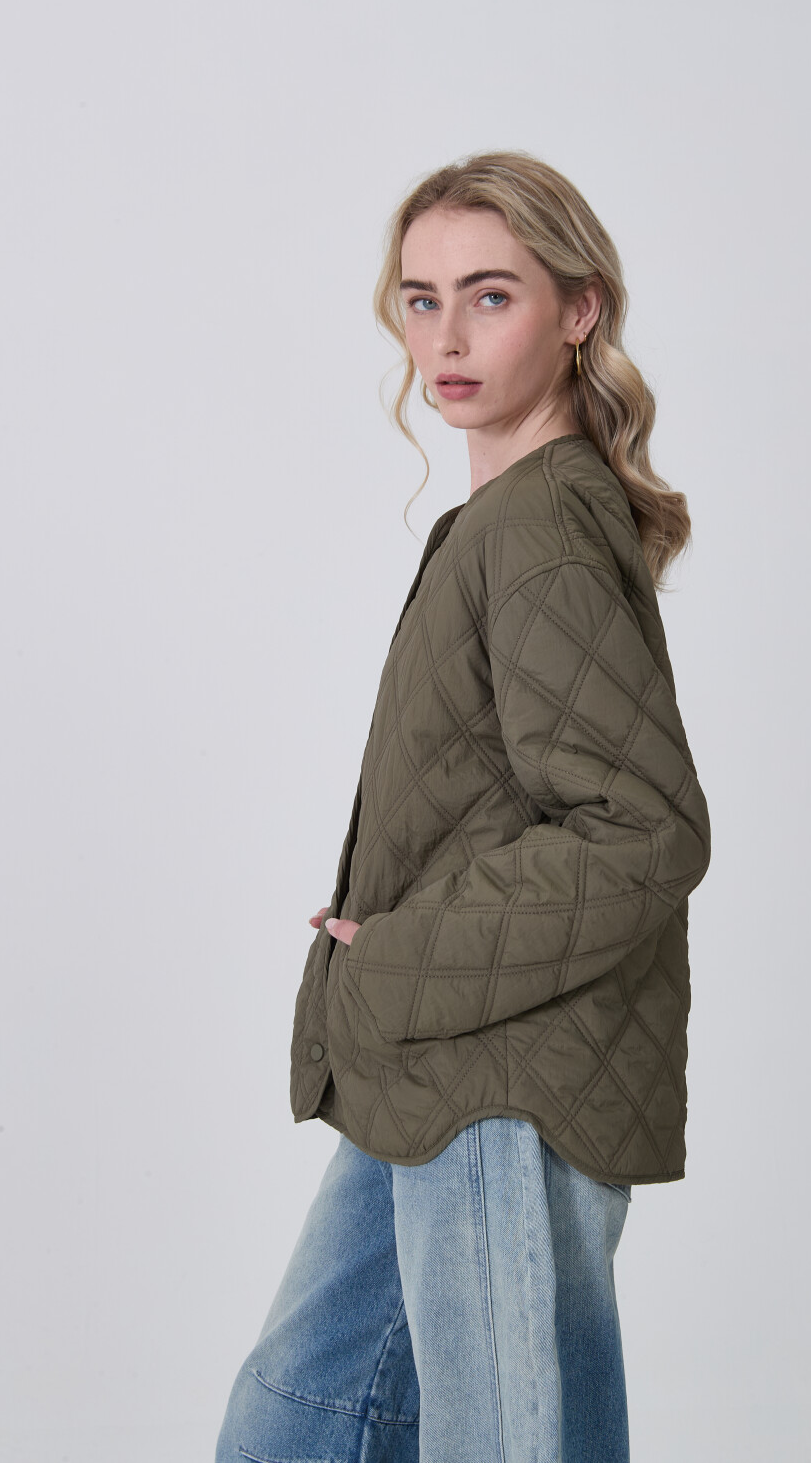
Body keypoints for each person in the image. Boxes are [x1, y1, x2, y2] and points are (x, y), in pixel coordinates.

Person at [216, 150, 712, 1463]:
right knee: (289, 1426)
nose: (445, 337)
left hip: (506, 1084)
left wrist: (398, 954)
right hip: (438, 1066)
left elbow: (642, 831)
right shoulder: (499, 521)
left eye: (491, 296)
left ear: (579, 309)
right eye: (421, 298)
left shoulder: (541, 529)